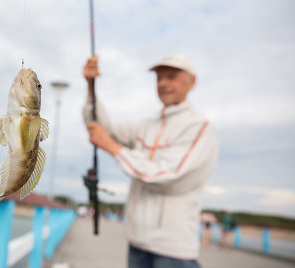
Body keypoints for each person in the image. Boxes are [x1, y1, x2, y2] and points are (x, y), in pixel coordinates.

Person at [82, 55, 219, 268]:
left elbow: (168, 176)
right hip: (136, 243)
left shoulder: (200, 128)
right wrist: (91, 87)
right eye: (159, 78)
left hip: (173, 253)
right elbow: (101, 129)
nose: (163, 83)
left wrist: (112, 147)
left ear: (191, 82)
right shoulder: (146, 125)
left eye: (171, 77)